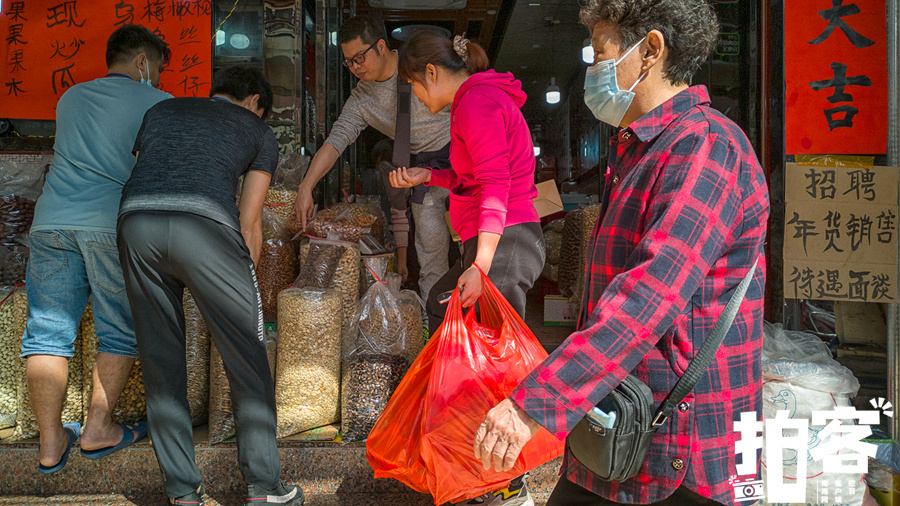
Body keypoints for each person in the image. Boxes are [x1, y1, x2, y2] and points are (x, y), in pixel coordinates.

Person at [473, 1, 769, 505]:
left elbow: (645, 298)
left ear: (650, 50)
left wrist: (534, 406)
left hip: (684, 450)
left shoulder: (706, 146)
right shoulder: (640, 148)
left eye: (600, 53)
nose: (592, 69)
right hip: (622, 430)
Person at [116, 66, 302, 506]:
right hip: (204, 226)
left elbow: (150, 175)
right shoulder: (258, 131)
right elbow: (249, 220)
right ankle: (264, 487)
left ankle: (182, 494)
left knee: (161, 365)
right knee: (247, 358)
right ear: (256, 99)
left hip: (135, 221)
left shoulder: (162, 111)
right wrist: (245, 288)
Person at [391, 31, 544, 506]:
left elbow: (497, 184)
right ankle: (477, 466)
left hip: (504, 240)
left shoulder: (476, 102)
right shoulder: (477, 100)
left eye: (415, 88)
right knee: (459, 333)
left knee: (489, 364)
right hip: (496, 239)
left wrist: (480, 263)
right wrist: (428, 175)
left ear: (431, 73)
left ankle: (505, 479)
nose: (417, 98)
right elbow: (473, 176)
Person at [21, 24, 171, 474]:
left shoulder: (70, 98)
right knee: (119, 329)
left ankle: (51, 443)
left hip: (51, 224)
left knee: (46, 333)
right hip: (110, 225)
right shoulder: (159, 104)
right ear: (143, 61)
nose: (160, 79)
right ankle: (97, 428)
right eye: (158, 68)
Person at [294, 14, 453, 303]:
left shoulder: (420, 63)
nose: (354, 68)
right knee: (431, 254)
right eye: (348, 62)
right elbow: (335, 142)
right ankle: (441, 334)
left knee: (478, 250)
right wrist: (306, 186)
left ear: (381, 46)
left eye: (359, 58)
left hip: (463, 157)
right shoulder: (362, 99)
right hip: (423, 170)